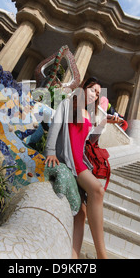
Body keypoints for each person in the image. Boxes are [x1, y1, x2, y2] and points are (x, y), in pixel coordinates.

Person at [44, 77, 109, 259]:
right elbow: (56, 125)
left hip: (80, 160)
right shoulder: (68, 104)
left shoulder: (88, 113)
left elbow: (88, 141)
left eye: (97, 93)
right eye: (91, 90)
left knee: (81, 214)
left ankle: (74, 257)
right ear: (83, 88)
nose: (94, 95)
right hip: (71, 160)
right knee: (97, 190)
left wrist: (103, 125)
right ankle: (102, 255)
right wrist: (50, 151)